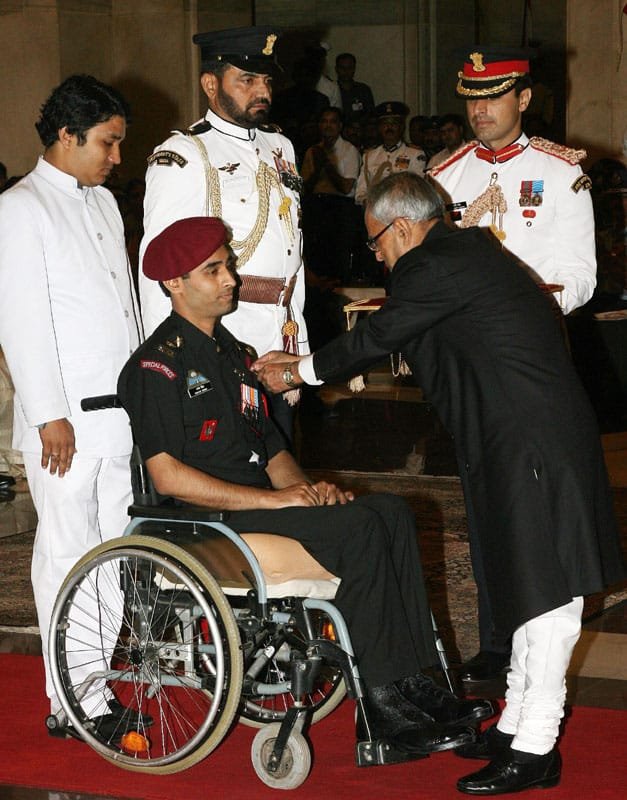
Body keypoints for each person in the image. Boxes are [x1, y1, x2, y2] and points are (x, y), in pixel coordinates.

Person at [254, 172, 625, 795]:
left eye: (375, 241)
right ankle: (517, 726)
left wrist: (300, 371)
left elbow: (381, 334)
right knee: (525, 581)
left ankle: (536, 745)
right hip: (513, 435)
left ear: (402, 227)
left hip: (531, 439)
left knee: (549, 591)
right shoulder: (463, 254)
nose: (377, 255)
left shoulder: (437, 263)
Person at [118, 215, 493, 762]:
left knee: (390, 511)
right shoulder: (156, 367)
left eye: (229, 266)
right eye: (213, 270)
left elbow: (272, 450)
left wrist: (309, 491)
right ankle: (383, 711)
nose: (231, 279)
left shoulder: (235, 357)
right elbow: (168, 477)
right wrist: (276, 500)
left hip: (258, 509)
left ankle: (418, 686)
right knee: (361, 530)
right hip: (205, 520)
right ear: (174, 283)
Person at [430, 47, 598, 683]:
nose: (480, 112)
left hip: (531, 365)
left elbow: (580, 275)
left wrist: (521, 307)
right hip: (467, 368)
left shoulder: (560, 173)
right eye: (472, 100)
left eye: (494, 98)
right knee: (483, 503)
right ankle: (498, 638)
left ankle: (537, 633)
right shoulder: (446, 176)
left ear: (523, 99)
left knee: (536, 505)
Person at [0, 75, 143, 730]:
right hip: (64, 424)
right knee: (66, 556)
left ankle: (96, 689)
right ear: (67, 134)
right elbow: (21, 322)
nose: (117, 157)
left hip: (119, 417)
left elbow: (123, 312)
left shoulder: (104, 204)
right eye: (108, 143)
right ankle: (72, 698)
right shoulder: (20, 208)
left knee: (113, 556)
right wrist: (47, 415)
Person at [139, 26, 307, 443]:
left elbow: (292, 247)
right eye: (247, 80)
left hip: (282, 334)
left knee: (281, 456)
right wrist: (170, 361)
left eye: (266, 80)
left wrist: (297, 333)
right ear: (210, 85)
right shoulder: (185, 155)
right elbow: (159, 266)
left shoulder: (280, 146)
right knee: (234, 460)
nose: (262, 91)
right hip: (224, 336)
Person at [300, 107, 361, 282]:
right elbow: (304, 187)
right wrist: (318, 168)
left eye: (332, 122)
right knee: (315, 255)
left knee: (336, 257)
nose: (328, 126)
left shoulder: (349, 150)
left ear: (340, 126)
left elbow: (346, 188)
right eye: (324, 121)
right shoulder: (312, 151)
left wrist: (326, 164)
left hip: (339, 208)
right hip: (315, 205)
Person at [354, 101, 426, 204]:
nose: (389, 127)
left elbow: (418, 189)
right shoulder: (369, 156)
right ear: (379, 128)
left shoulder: (415, 154)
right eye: (385, 124)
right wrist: (367, 202)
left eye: (394, 123)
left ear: (402, 127)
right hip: (374, 208)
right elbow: (361, 191)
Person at [335, 52, 375, 124]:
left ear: (354, 69)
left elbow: (370, 114)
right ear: (336, 69)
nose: (346, 71)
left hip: (360, 128)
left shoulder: (364, 90)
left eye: (349, 68)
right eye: (342, 68)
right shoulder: (331, 89)